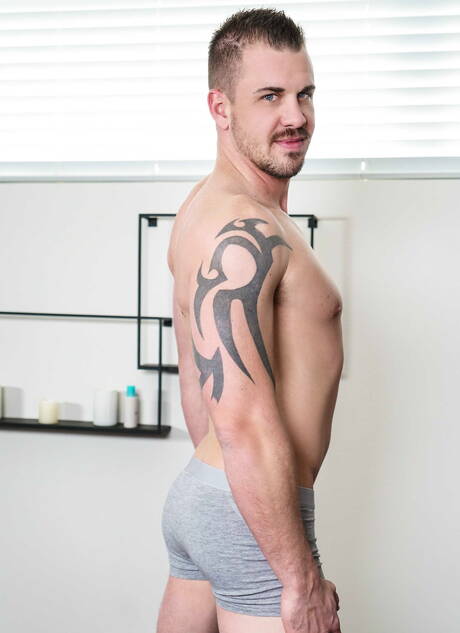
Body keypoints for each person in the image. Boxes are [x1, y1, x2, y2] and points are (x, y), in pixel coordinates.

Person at [157, 8, 343, 633]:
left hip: (213, 496)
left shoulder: (202, 208)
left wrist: (215, 493)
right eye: (270, 97)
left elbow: (195, 378)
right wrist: (299, 578)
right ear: (221, 107)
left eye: (304, 94)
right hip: (254, 515)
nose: (296, 116)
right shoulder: (243, 228)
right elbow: (238, 419)